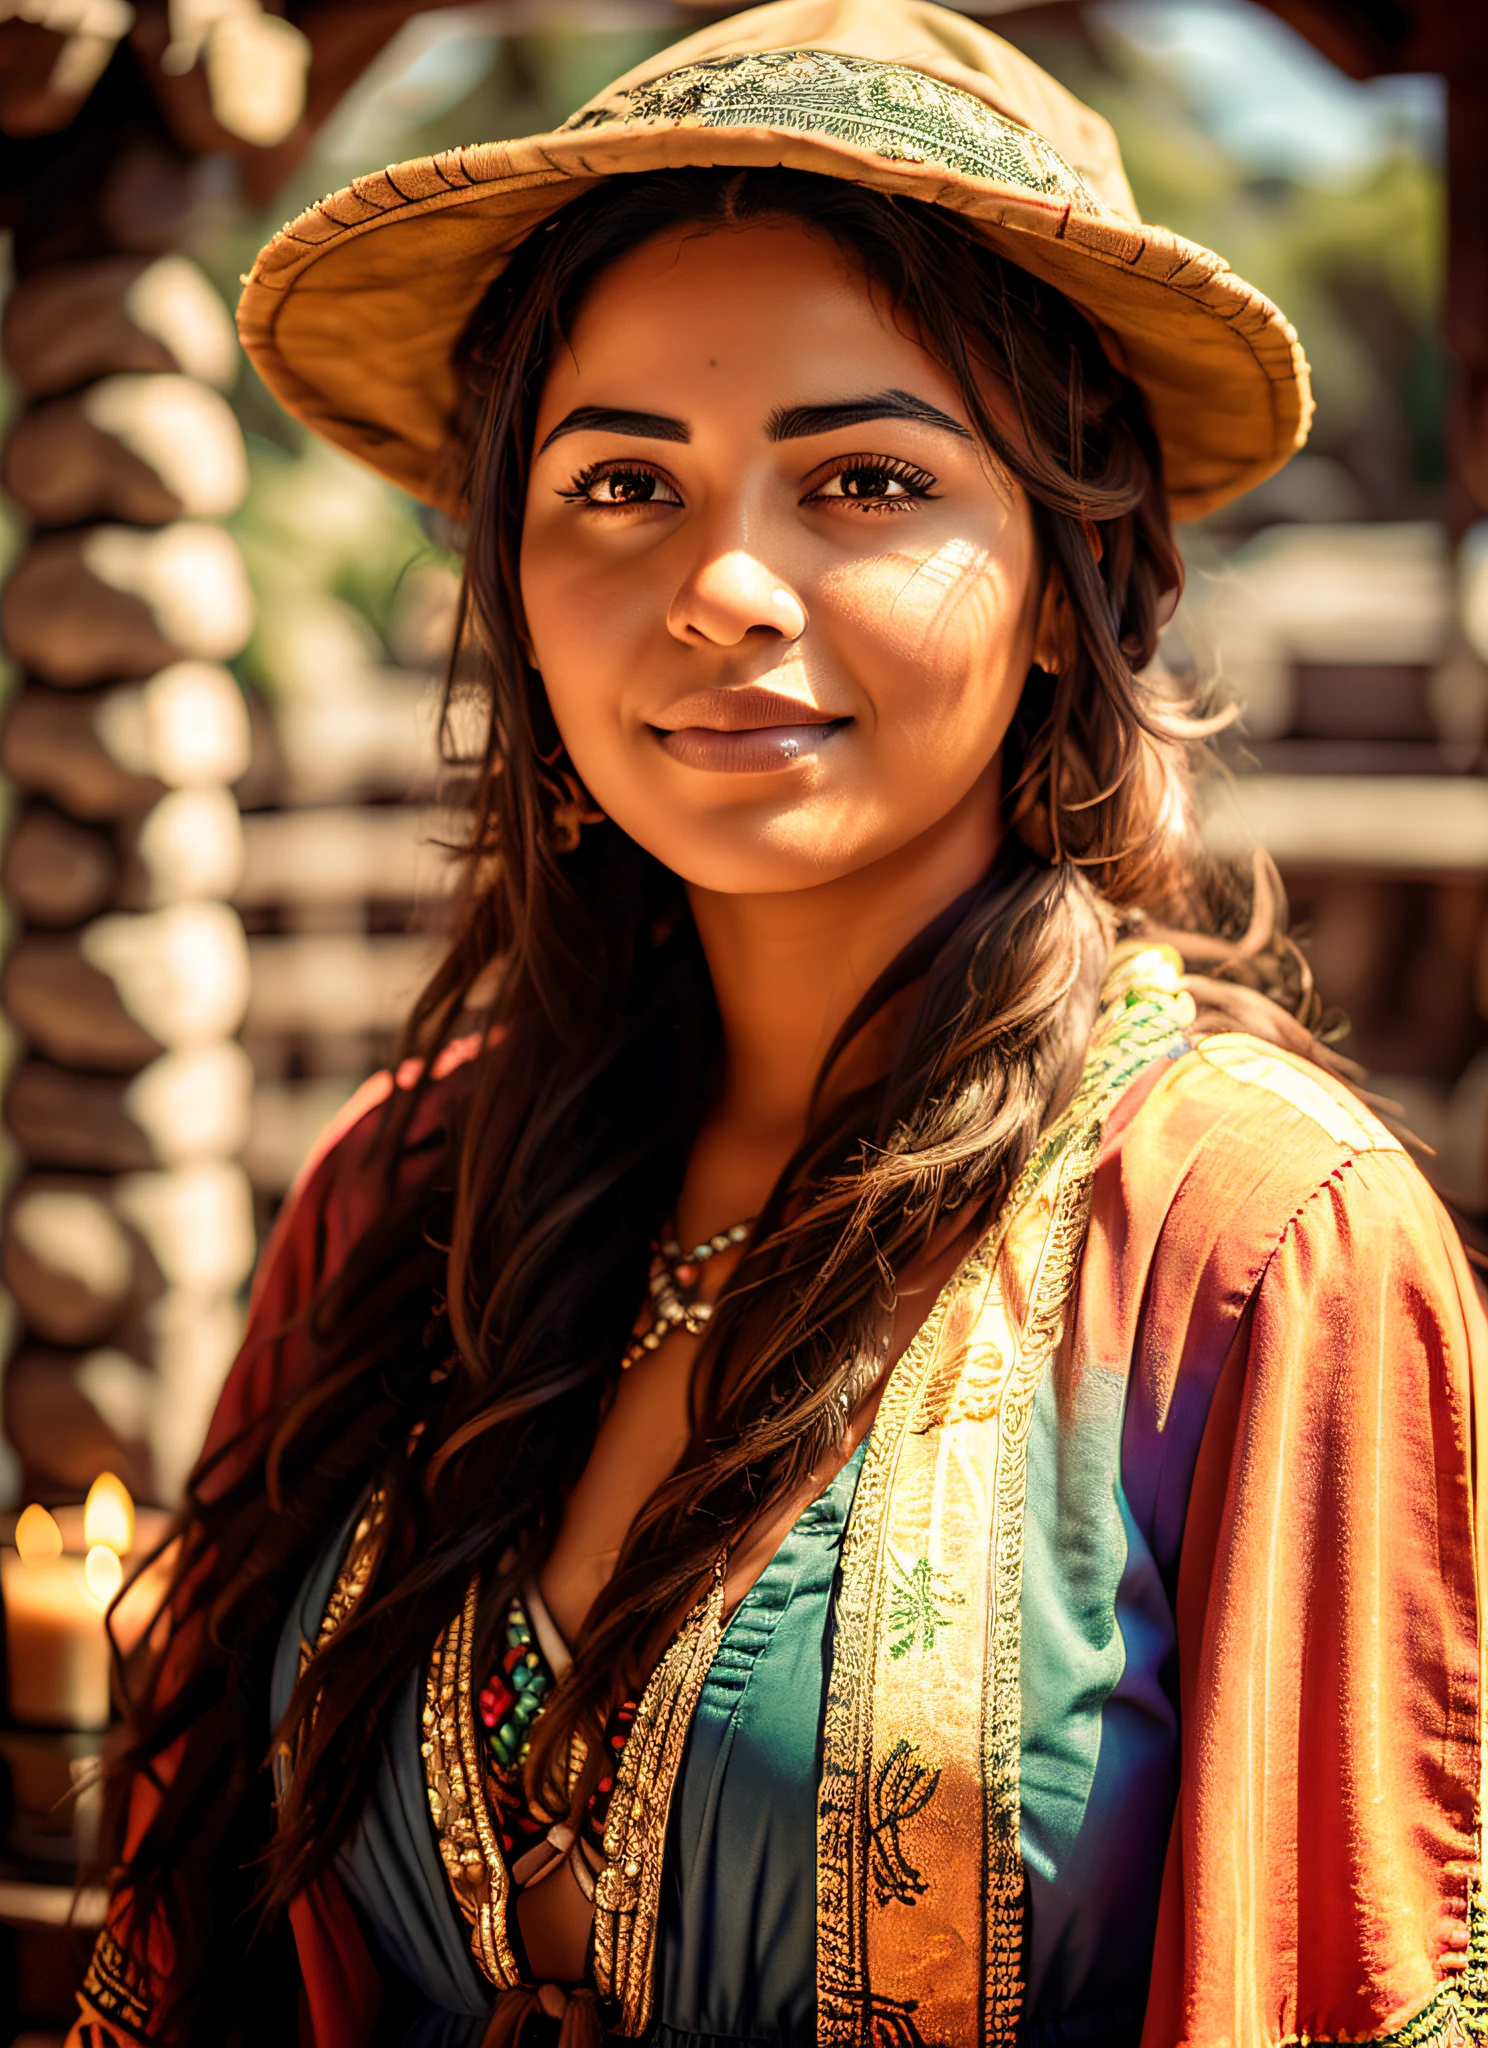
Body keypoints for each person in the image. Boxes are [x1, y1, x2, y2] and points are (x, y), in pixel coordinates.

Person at [69, 4, 1487, 2046]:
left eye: (866, 477)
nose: (726, 581)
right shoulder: (398, 1194)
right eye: (621, 480)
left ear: (1070, 574)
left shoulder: (1259, 1255)